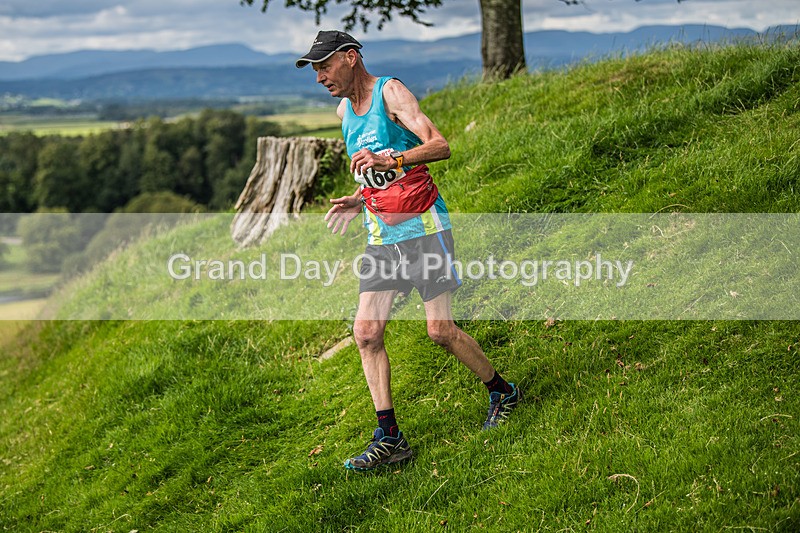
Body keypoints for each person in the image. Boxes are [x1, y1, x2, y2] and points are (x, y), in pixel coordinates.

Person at [296, 30, 521, 472]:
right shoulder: (344, 109)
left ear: (351, 57)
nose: (320, 76)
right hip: (381, 236)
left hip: (423, 229)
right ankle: (391, 438)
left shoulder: (390, 92)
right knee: (366, 333)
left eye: (325, 66)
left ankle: (502, 391)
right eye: (315, 70)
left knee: (439, 331)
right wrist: (358, 197)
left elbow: (440, 146)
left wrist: (393, 161)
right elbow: (371, 172)